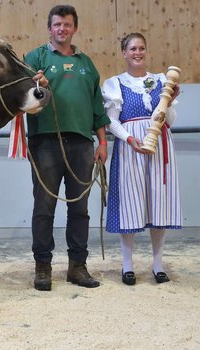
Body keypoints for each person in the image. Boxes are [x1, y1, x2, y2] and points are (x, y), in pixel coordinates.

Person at [24, 4, 110, 291]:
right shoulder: (36, 57)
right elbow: (22, 96)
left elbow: (97, 106)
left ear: (75, 28)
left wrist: (102, 142)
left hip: (83, 144)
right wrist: (38, 87)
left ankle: (77, 266)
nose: (62, 29)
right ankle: (43, 268)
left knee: (80, 209)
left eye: (67, 25)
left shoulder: (87, 63)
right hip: (46, 142)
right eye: (57, 24)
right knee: (44, 207)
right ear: (50, 28)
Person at [102, 33, 181, 285]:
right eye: (133, 48)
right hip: (131, 146)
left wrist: (168, 100)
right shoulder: (115, 83)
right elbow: (111, 120)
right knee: (130, 203)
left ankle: (158, 265)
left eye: (142, 48)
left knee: (159, 200)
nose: (138, 52)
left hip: (159, 143)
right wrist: (128, 139)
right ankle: (127, 266)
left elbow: (171, 121)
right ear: (124, 53)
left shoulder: (161, 80)